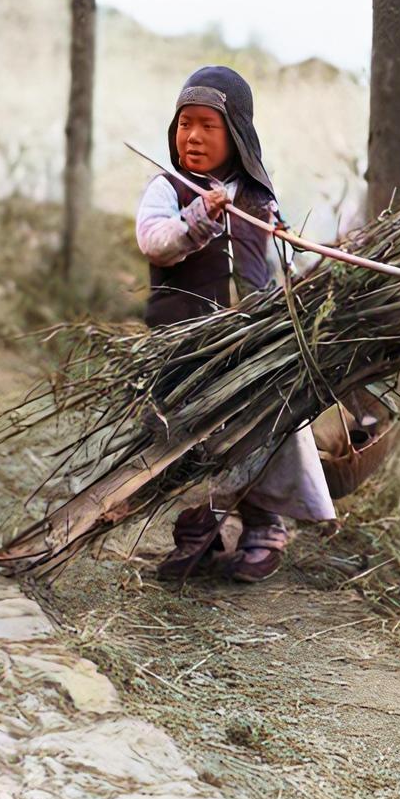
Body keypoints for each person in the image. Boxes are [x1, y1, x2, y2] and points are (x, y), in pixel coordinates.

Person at [134, 65, 335, 583]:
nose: (193, 136)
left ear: (238, 134)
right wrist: (197, 219)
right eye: (185, 124)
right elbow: (155, 242)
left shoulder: (258, 199)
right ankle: (196, 532)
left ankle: (263, 528)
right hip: (188, 345)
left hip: (251, 345)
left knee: (262, 431)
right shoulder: (168, 189)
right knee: (192, 438)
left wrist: (303, 270)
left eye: (209, 125)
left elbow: (279, 265)